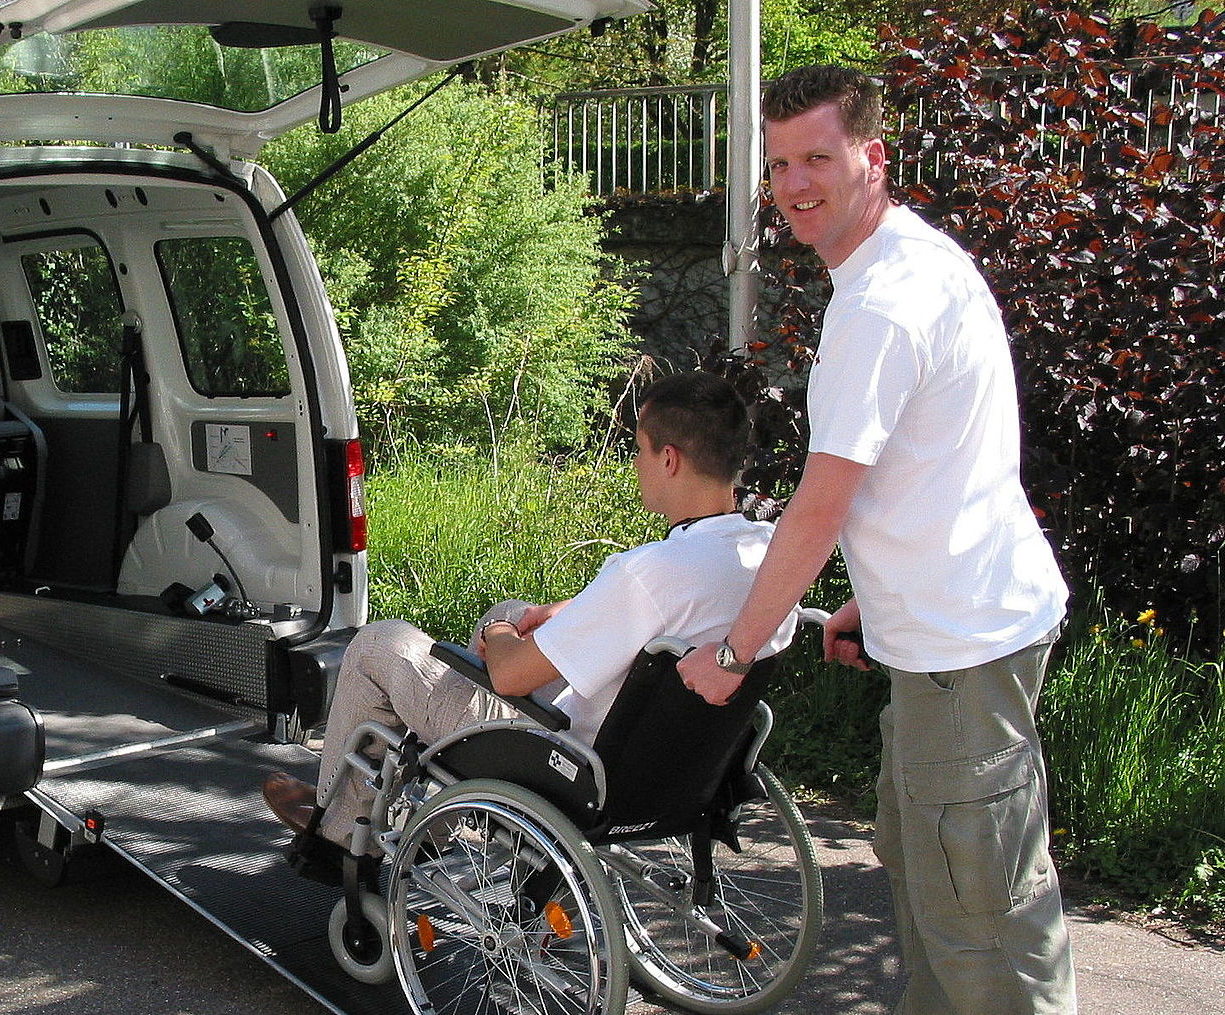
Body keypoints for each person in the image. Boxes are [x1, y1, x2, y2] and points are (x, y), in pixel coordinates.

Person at [675, 66, 1075, 1014]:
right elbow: (946, 461)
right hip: (956, 628)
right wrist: (876, 596)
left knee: (982, 929)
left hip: (962, 649)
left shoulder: (879, 306)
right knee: (940, 903)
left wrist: (735, 651)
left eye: (818, 156)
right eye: (778, 165)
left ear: (873, 156)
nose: (796, 184)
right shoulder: (915, 260)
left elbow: (820, 504)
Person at [263, 371, 797, 848]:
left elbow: (512, 674)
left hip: (569, 762)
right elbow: (661, 612)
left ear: (669, 459)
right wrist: (558, 611)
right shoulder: (768, 559)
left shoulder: (649, 572)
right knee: (521, 612)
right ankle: (424, 814)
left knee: (383, 642)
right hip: (676, 771)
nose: (634, 462)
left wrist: (498, 628)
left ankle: (336, 827)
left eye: (639, 448)